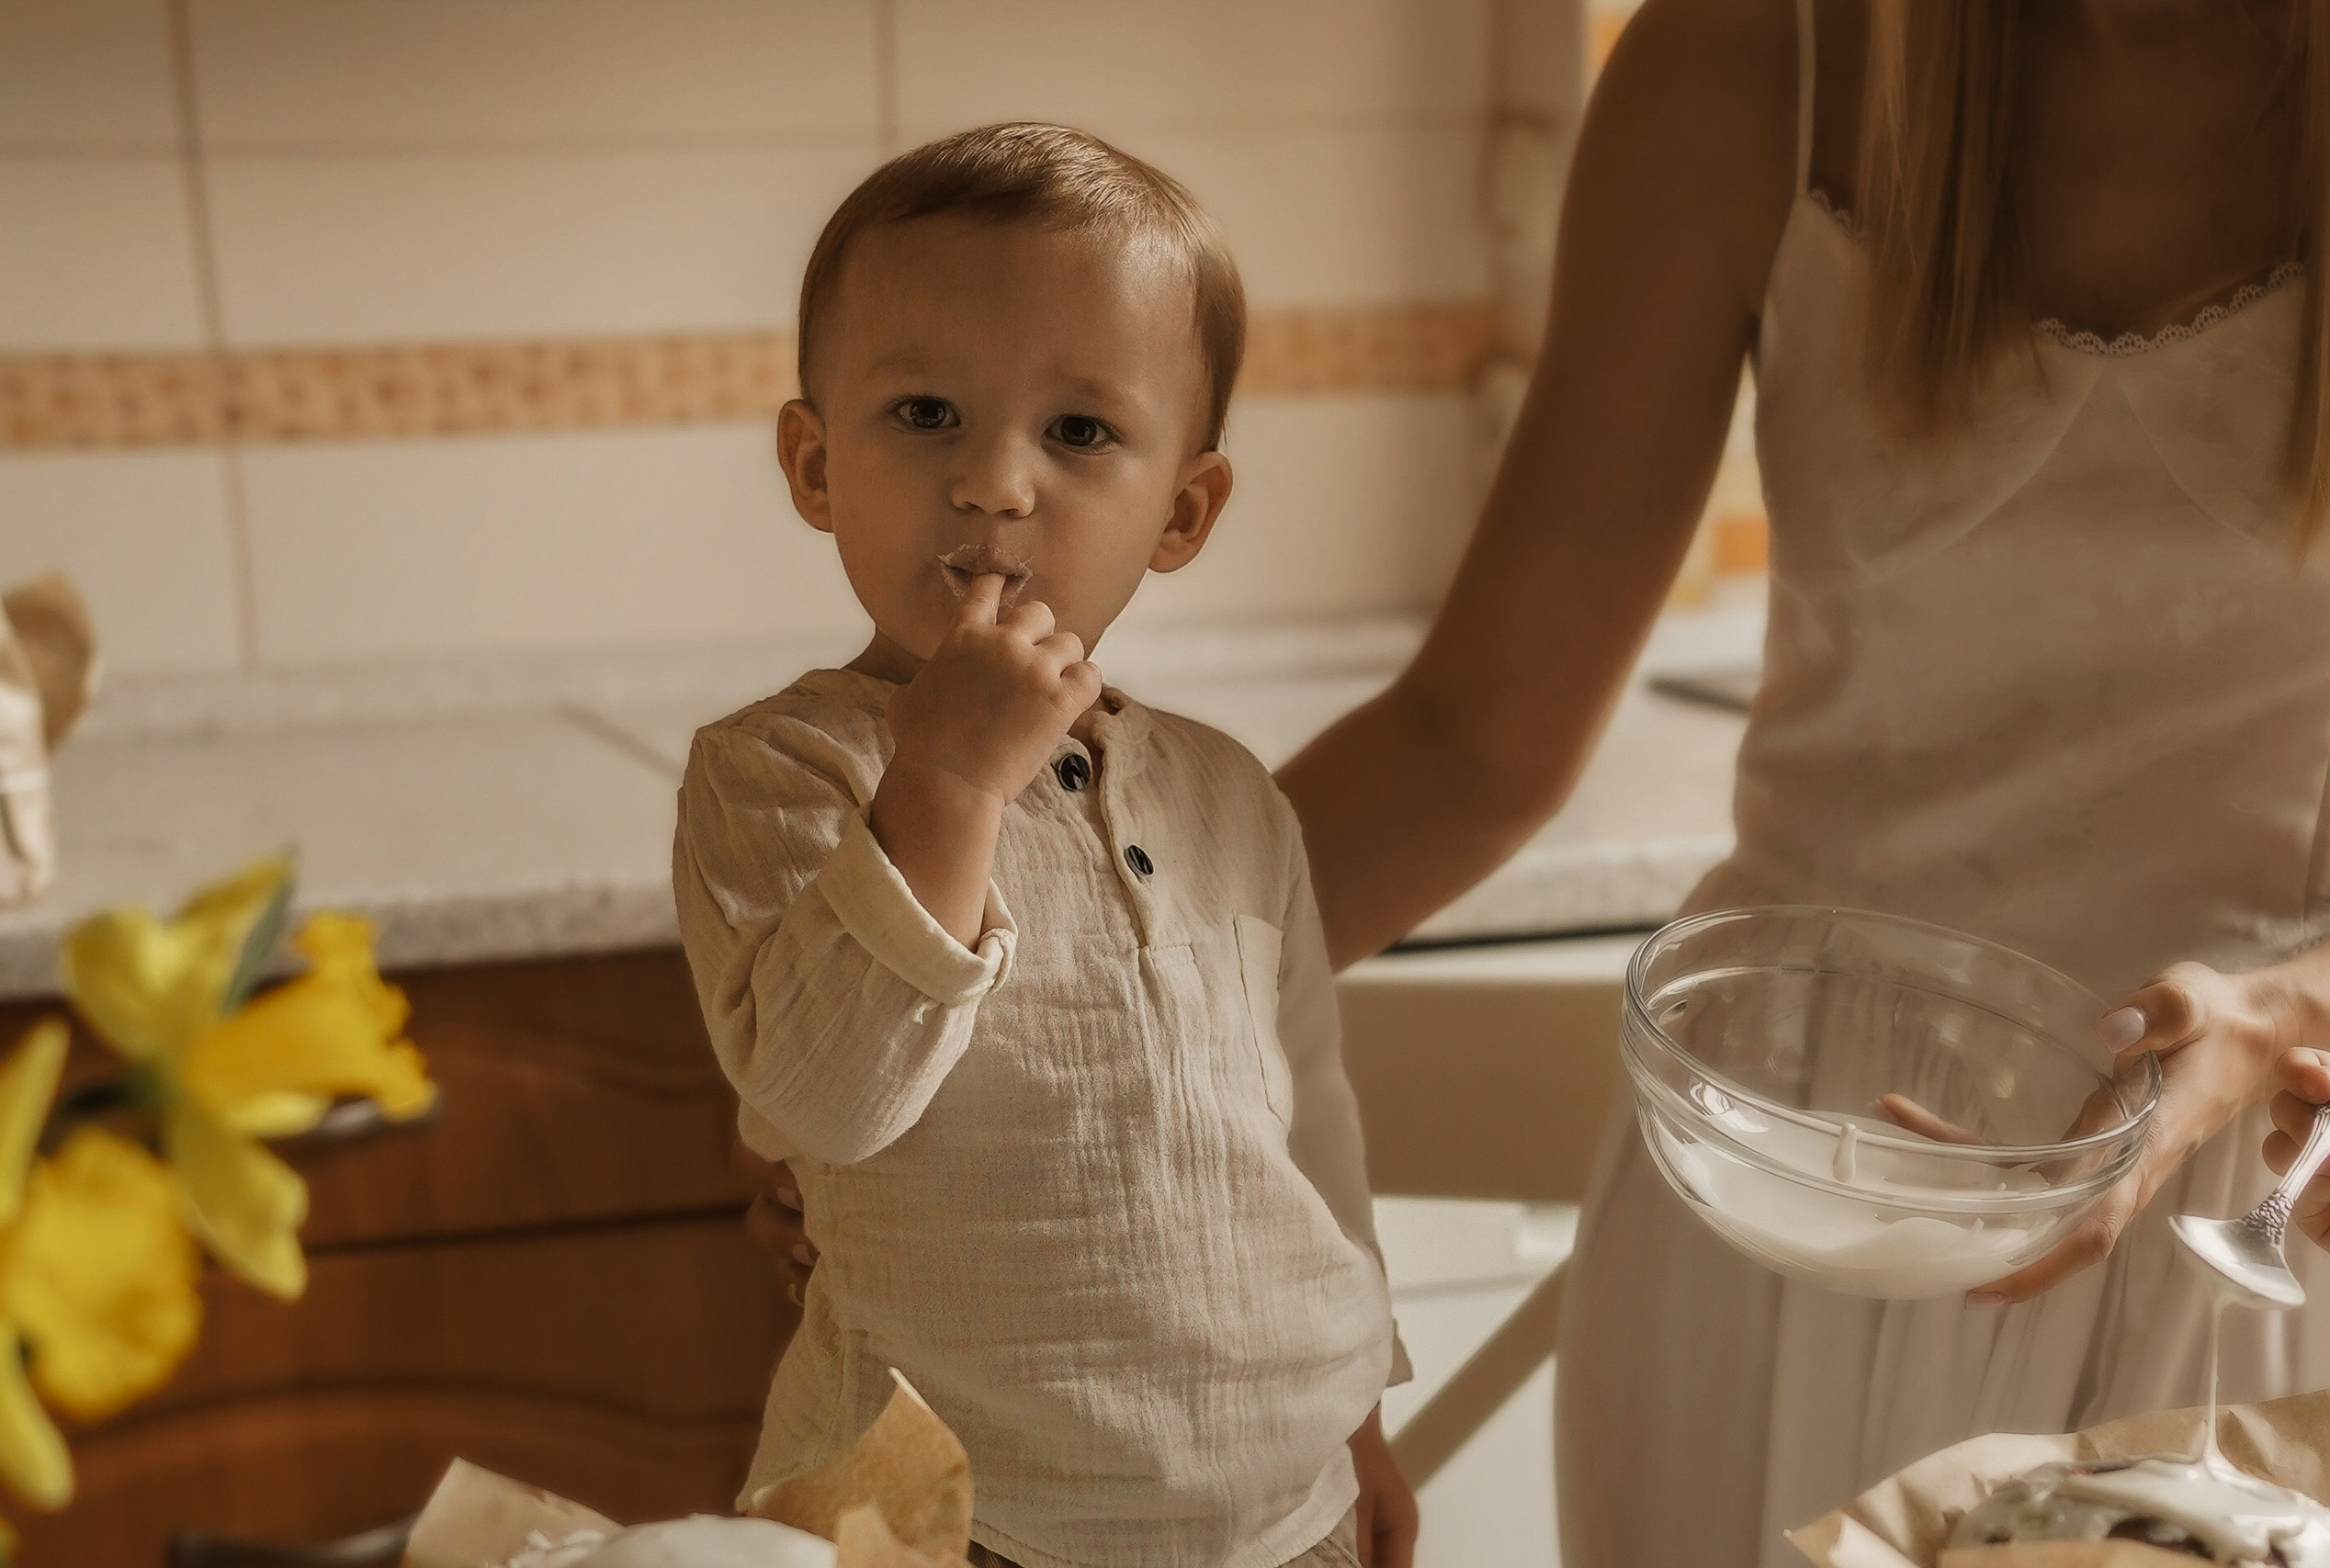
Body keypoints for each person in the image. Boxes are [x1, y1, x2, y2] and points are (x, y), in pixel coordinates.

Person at [752, 1, 2330, 1563]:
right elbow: (1473, 748)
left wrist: (2282, 1017)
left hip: (2243, 1231)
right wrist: (944, 1011)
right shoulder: (1743, 65)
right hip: (1775, 1202)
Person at [674, 124, 1416, 1568]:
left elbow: (1305, 1124)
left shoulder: (1230, 797)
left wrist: (1362, 1419)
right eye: (926, 413)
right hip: (946, 1519)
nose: (997, 482)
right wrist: (943, 783)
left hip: (1285, 1518)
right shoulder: (780, 774)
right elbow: (824, 1103)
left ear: (1183, 510)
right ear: (814, 464)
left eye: (1079, 433)